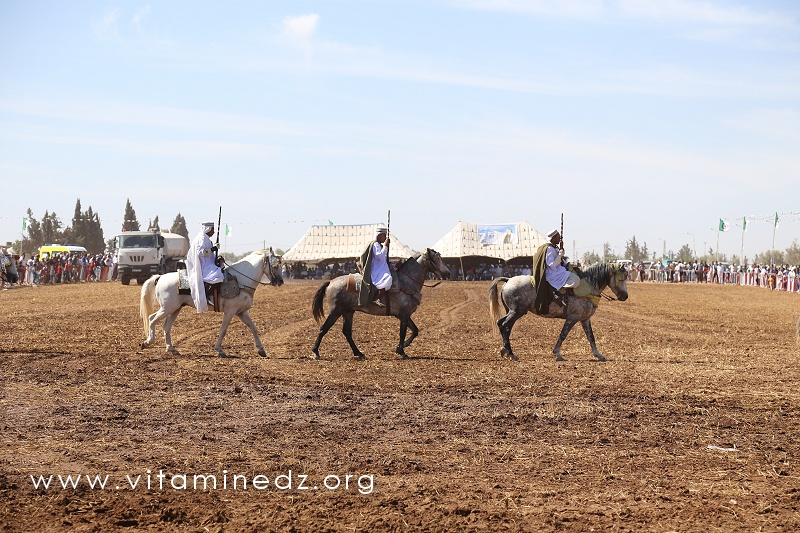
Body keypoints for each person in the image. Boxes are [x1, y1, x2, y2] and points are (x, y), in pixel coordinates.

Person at [532, 228, 581, 314]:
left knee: (575, 275)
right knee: (576, 280)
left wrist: (570, 265)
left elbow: (562, 262)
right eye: (558, 237)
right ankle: (560, 291)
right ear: (553, 238)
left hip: (559, 272)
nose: (560, 239)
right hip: (553, 274)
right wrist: (560, 255)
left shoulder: (554, 248)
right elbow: (552, 264)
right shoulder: (549, 248)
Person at [186, 221, 224, 313]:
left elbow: (209, 255)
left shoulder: (206, 238)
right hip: (203, 266)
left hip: (209, 264)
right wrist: (213, 249)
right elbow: (200, 252)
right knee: (218, 276)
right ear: (208, 229)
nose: (214, 232)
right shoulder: (202, 238)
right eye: (213, 229)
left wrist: (217, 257)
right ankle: (207, 297)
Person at [358, 225, 392, 307]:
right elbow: (380, 256)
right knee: (388, 279)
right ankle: (376, 298)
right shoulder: (375, 244)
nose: (385, 238)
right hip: (376, 269)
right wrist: (386, 246)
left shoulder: (378, 245)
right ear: (379, 235)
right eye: (384, 236)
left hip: (380, 267)